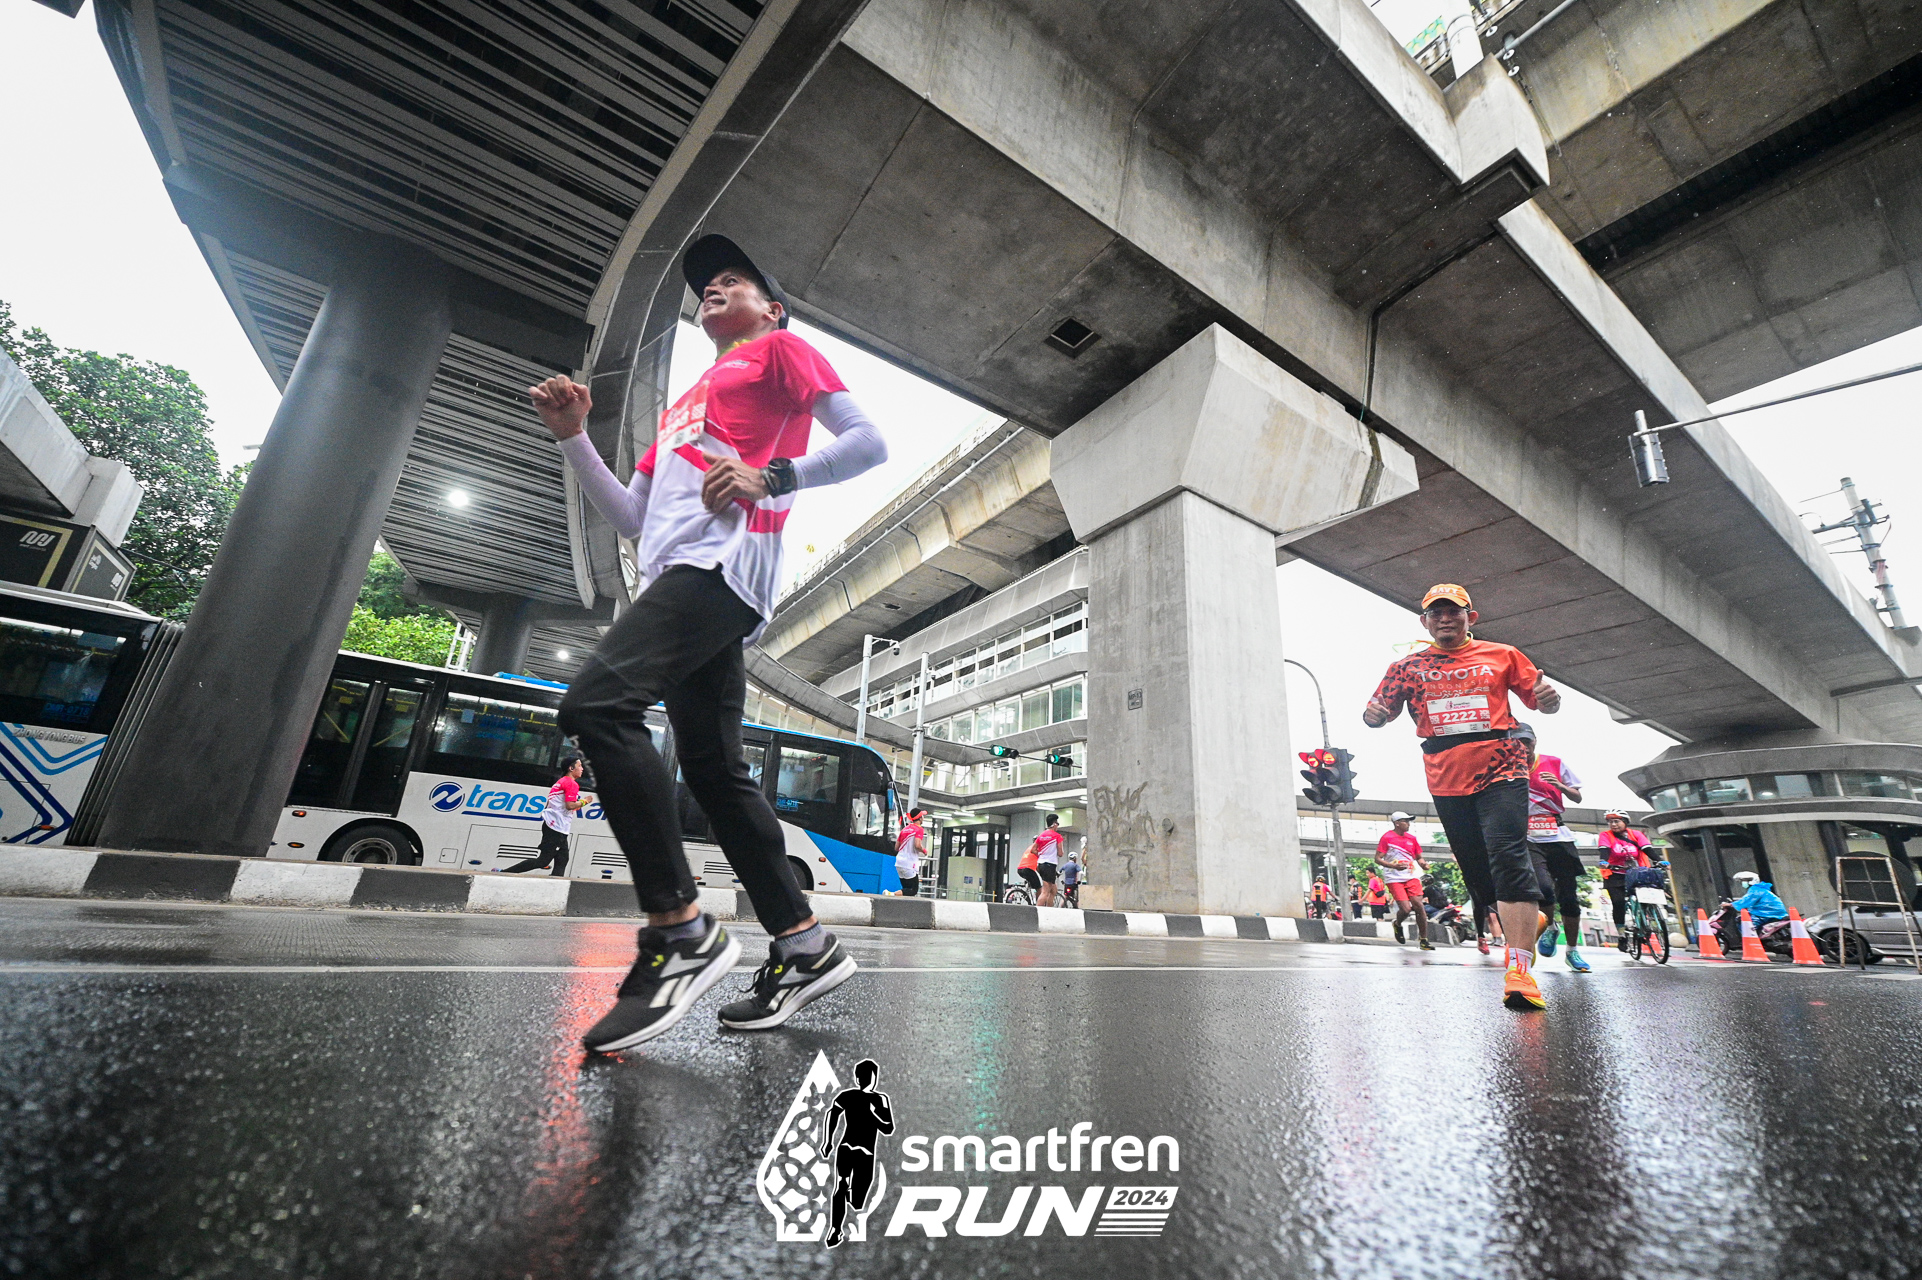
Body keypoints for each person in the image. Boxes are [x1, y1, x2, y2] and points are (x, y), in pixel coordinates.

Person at [528, 234, 888, 1052]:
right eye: (708, 285)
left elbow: (869, 443)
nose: (715, 289)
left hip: (722, 566)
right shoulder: (683, 406)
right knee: (715, 773)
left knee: (597, 707)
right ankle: (804, 945)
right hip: (678, 573)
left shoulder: (781, 352)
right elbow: (633, 518)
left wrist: (777, 474)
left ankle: (680, 930)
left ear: (772, 308)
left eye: (734, 280)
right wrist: (574, 436)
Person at [1364, 582, 1563, 1010]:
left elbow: (1542, 702)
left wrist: (1550, 700)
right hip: (1445, 774)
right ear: (1424, 622)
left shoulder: (1503, 654)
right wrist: (1373, 716)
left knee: (1508, 854)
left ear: (1470, 617)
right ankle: (1530, 920)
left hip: (1503, 766)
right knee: (1478, 875)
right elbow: (1377, 712)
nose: (1444, 618)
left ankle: (1519, 972)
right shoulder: (1407, 667)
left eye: (1453, 611)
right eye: (1435, 613)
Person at [1516, 728, 1592, 973]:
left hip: (1558, 835)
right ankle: (1550, 927)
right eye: (1517, 742)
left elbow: (1577, 797)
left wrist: (1559, 785)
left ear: (1535, 741)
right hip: (1529, 837)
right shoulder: (1506, 767)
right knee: (1543, 888)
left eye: (1527, 741)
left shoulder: (1554, 763)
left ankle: (1572, 951)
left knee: (1569, 897)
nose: (1523, 747)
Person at [823, 1059, 895, 1249]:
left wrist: (872, 1114)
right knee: (841, 1184)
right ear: (858, 1078)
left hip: (864, 1153)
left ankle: (849, 1201)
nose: (867, 1080)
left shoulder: (880, 1100)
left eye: (870, 1076)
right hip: (848, 1147)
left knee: (857, 1200)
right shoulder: (848, 1096)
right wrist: (828, 1141)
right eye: (864, 1076)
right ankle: (835, 1229)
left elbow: (888, 1128)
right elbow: (832, 1114)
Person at [496, 756, 591, 875]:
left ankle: (556, 884)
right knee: (543, 861)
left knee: (562, 858)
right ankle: (504, 873)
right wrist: (585, 801)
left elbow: (555, 804)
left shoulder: (561, 781)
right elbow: (570, 806)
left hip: (555, 826)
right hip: (556, 827)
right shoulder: (571, 783)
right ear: (571, 768)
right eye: (579, 766)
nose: (582, 769)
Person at [1375, 811, 1434, 950]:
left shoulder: (1412, 839)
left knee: (1419, 906)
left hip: (1411, 876)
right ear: (1397, 823)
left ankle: (1424, 940)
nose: (1408, 824)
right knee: (1406, 909)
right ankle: (1397, 924)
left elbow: (1419, 857)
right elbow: (1377, 858)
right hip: (1394, 878)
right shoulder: (1387, 837)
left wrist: (1423, 864)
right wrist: (1393, 866)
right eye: (1405, 821)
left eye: (1409, 821)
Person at [1597, 810, 1653, 947]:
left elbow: (1646, 848)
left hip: (1636, 873)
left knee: (1646, 899)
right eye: (1610, 822)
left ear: (1625, 822)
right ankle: (1622, 934)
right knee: (1618, 903)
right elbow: (1604, 849)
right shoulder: (1606, 835)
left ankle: (1644, 925)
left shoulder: (1636, 834)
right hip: (1614, 874)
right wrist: (1604, 861)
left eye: (1616, 821)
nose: (1613, 824)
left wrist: (1659, 860)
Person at [1023, 813, 1066, 907]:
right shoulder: (1057, 836)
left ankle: (1049, 910)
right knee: (1045, 891)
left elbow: (1033, 850)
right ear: (1054, 824)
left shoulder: (1041, 835)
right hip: (1050, 865)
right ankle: (1037, 911)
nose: (1058, 826)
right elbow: (1060, 853)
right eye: (1057, 823)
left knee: (1053, 890)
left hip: (1041, 865)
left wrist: (1042, 854)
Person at [895, 808, 928, 898]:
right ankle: (891, 894)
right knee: (913, 890)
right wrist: (924, 851)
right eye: (922, 816)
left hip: (899, 862)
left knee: (906, 890)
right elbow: (917, 845)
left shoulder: (904, 829)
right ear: (920, 818)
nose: (923, 818)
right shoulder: (919, 829)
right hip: (909, 863)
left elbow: (896, 847)